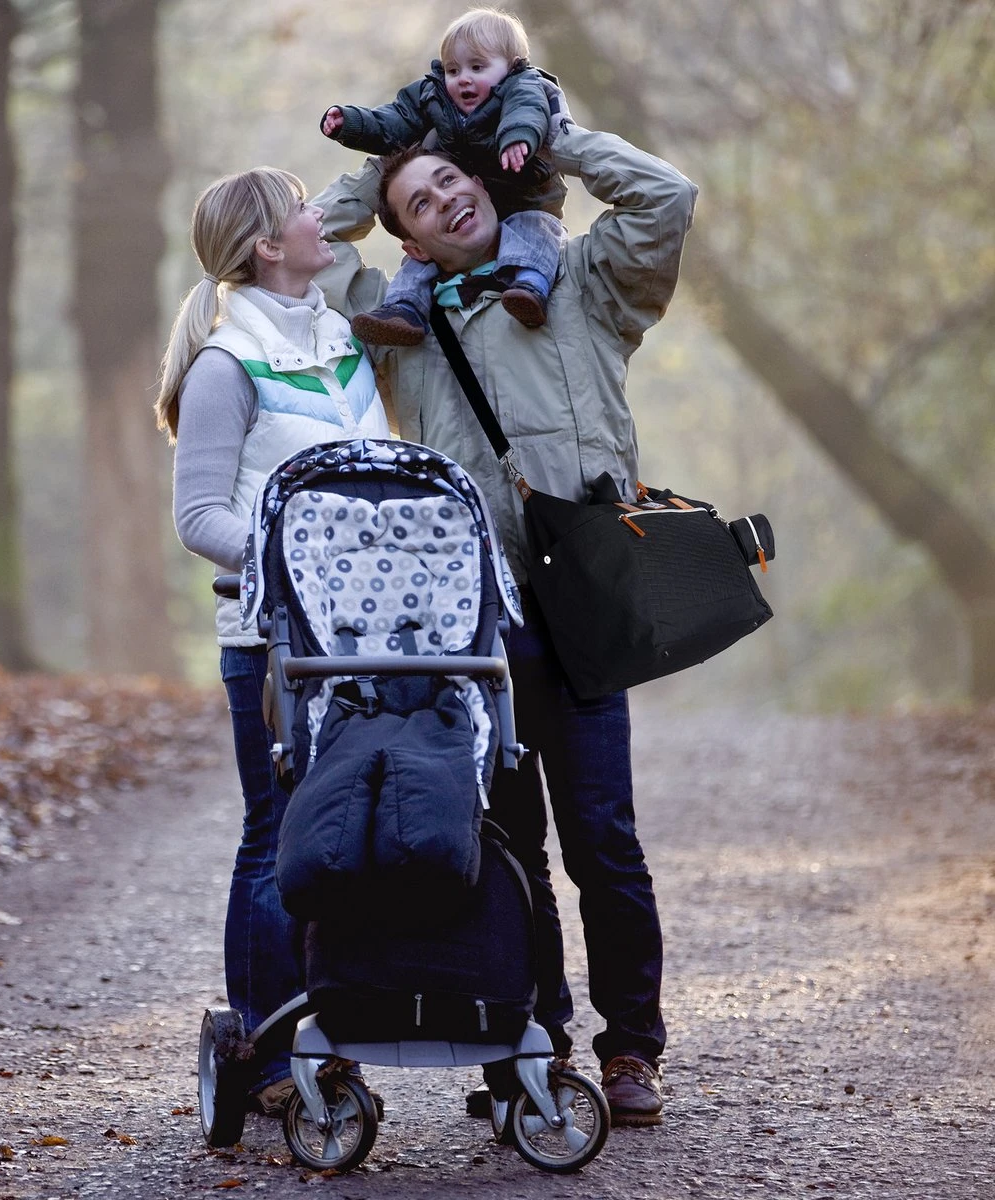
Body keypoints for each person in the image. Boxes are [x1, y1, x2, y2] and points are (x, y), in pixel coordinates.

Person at [310, 127, 698, 1126]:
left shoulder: (583, 283)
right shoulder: (396, 324)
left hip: (584, 610)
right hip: (477, 625)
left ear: (482, 183)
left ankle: (631, 1051)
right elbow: (312, 239)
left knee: (603, 838)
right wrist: (385, 156)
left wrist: (551, 143)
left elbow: (668, 198)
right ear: (412, 243)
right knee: (508, 843)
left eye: (451, 180)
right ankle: (528, 1043)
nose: (444, 200)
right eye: (420, 205)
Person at [154, 167, 389, 1117]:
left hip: (365, 637)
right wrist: (307, 556)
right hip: (270, 642)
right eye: (300, 208)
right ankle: (264, 1051)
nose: (317, 218)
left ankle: (329, 1039)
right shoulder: (224, 365)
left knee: (348, 839)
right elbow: (200, 516)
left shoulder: (335, 339)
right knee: (275, 837)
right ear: (264, 244)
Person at [320, 6, 568, 346]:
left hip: (526, 196)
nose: (463, 78)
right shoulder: (434, 94)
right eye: (453, 69)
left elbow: (527, 112)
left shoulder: (523, 86)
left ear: (511, 66)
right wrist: (351, 123)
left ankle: (530, 287)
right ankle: (403, 309)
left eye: (477, 67)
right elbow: (395, 121)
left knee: (538, 232)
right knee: (419, 261)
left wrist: (518, 139)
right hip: (475, 200)